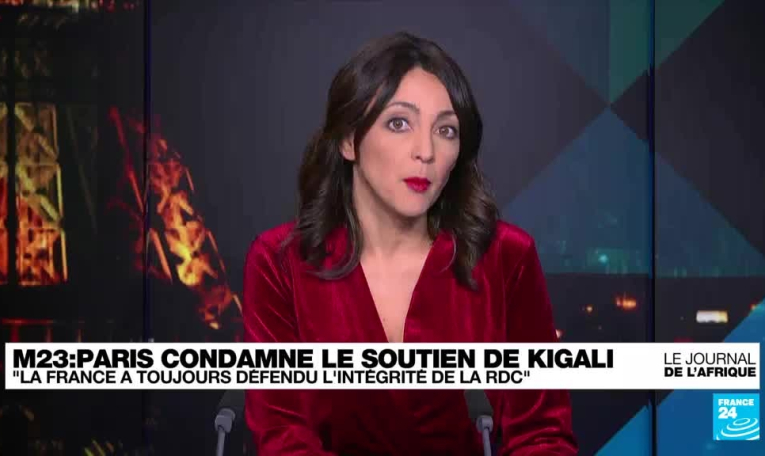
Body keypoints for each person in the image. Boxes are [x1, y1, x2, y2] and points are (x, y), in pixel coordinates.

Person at [243, 31, 577, 455]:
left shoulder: (507, 257)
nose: (426, 151)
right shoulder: (280, 262)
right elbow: (282, 435)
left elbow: (543, 435)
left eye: (446, 130)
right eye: (399, 123)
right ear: (348, 140)